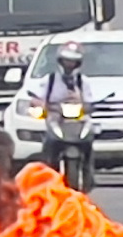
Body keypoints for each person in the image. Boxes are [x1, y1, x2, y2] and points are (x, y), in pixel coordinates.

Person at [27, 38, 96, 182]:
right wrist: (39, 104)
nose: (69, 65)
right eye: (66, 61)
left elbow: (89, 102)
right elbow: (38, 98)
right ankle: (48, 174)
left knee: (88, 139)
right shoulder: (49, 80)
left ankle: (88, 173)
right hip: (56, 118)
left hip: (78, 120)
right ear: (60, 61)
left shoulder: (83, 82)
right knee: (50, 143)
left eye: (73, 62)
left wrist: (86, 105)